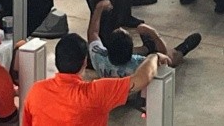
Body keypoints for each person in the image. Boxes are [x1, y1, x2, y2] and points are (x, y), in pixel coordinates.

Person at [22, 32, 165, 126]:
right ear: (85, 62)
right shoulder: (96, 93)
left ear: (57, 61)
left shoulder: (36, 91)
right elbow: (142, 78)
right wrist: (154, 56)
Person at [86, 0, 200, 78]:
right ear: (131, 52)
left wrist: (99, 8)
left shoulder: (99, 57)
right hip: (135, 92)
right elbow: (165, 59)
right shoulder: (138, 63)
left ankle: (147, 48)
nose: (120, 27)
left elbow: (93, 33)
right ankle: (183, 48)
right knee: (170, 57)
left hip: (116, 87)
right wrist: (154, 34)